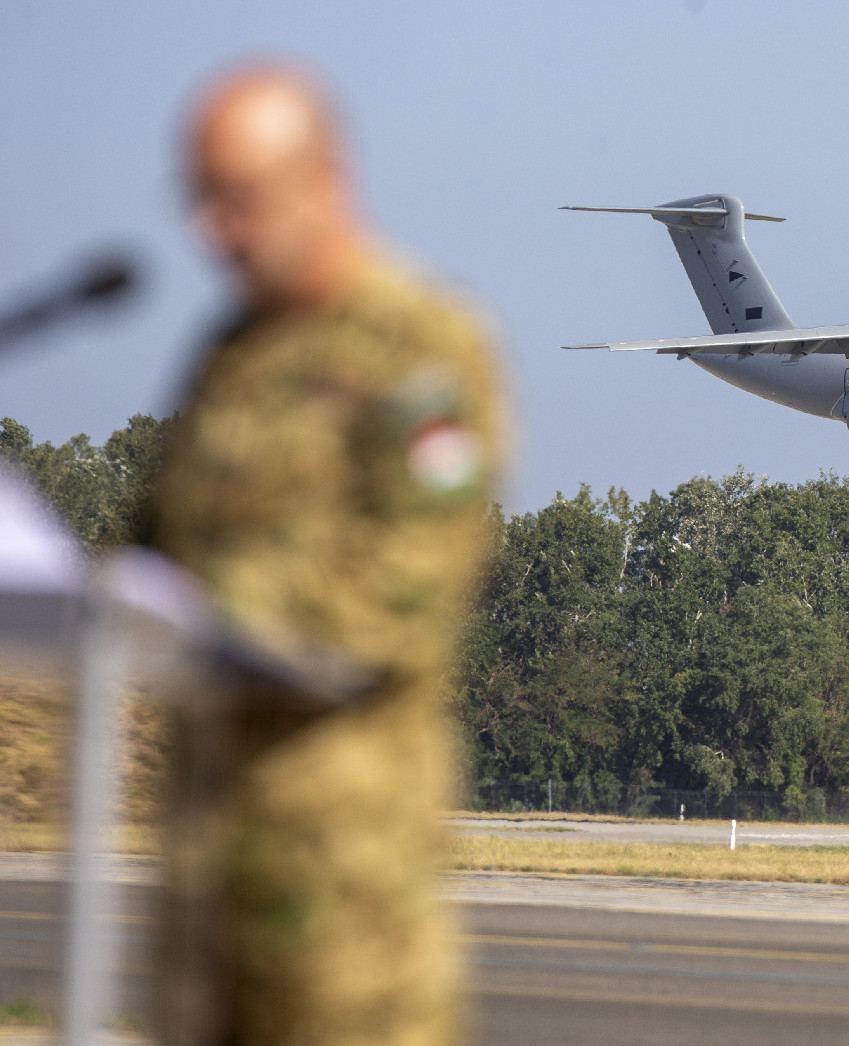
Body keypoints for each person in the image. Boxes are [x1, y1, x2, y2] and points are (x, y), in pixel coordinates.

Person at [146, 64, 506, 1046]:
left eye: (239, 196)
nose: (211, 231)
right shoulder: (234, 354)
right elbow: (153, 549)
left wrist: (201, 606)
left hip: (346, 899)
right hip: (205, 874)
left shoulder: (418, 347)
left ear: (325, 176)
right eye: (200, 200)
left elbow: (403, 592)